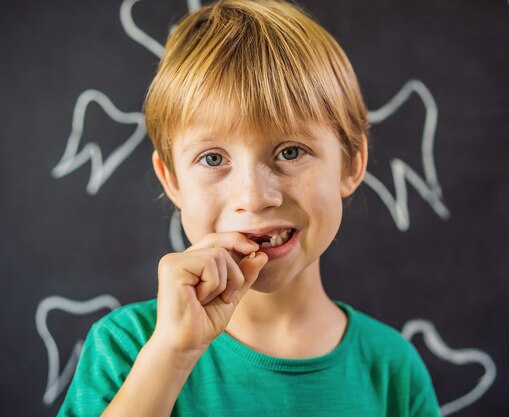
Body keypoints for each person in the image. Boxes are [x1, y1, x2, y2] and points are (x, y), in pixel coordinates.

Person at [58, 0, 441, 415]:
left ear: (351, 164)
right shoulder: (126, 348)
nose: (255, 197)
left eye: (291, 151)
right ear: (172, 180)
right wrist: (172, 354)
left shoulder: (393, 372)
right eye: (212, 159)